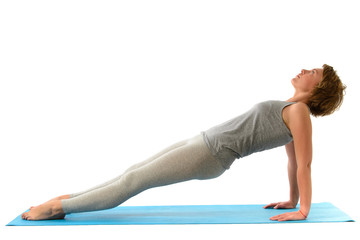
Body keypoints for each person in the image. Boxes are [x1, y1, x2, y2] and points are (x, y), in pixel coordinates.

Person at [21, 64, 346, 222]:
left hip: (210, 154)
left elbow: (303, 162)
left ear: (318, 89)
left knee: (135, 181)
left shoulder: (301, 111)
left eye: (313, 72)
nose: (305, 70)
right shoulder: (292, 110)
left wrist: (303, 209)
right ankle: (71, 198)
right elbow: (291, 160)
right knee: (132, 171)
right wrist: (291, 199)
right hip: (202, 142)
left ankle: (57, 208)